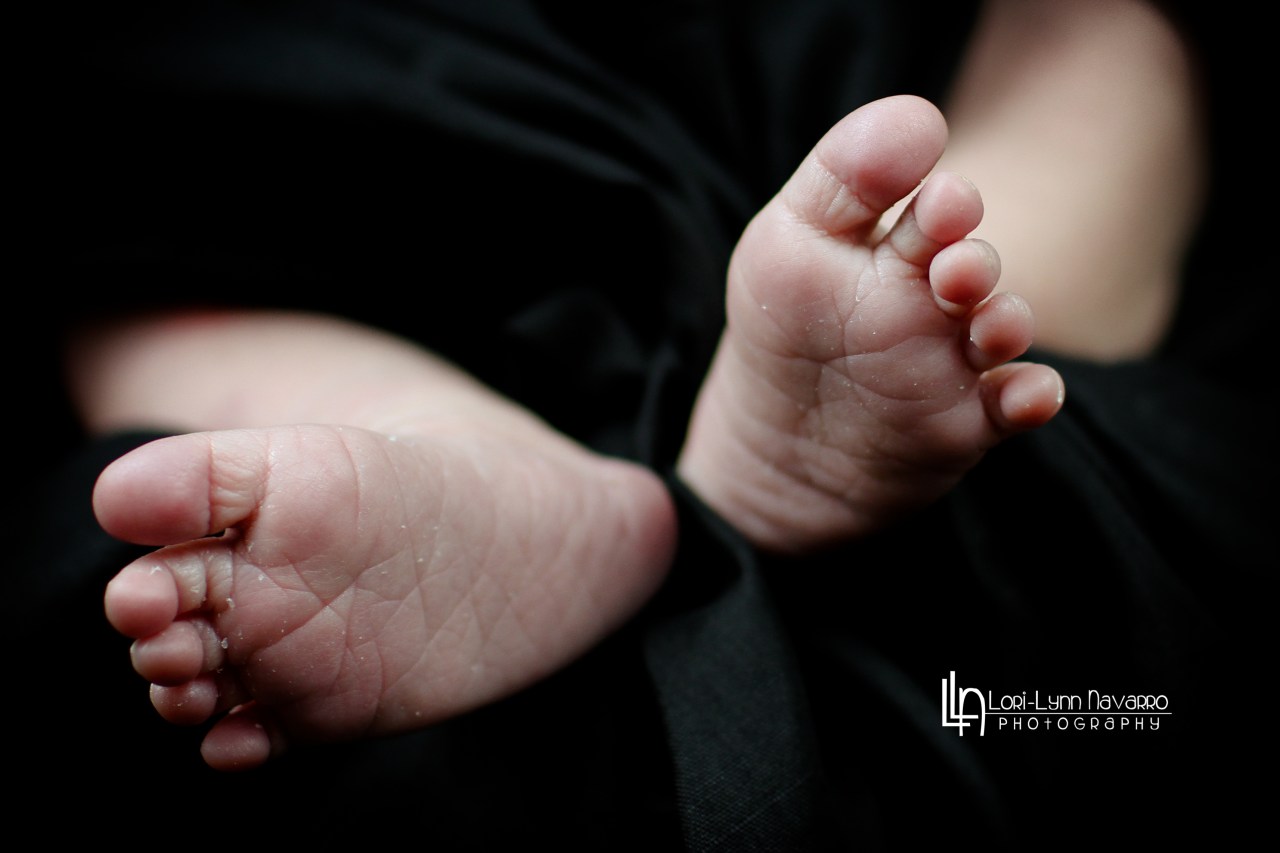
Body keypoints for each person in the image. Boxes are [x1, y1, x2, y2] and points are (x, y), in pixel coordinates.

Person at [13, 0, 1267, 849]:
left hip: (345, 113)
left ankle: (432, 431)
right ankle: (904, 298)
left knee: (175, 231)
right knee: (1093, 75)